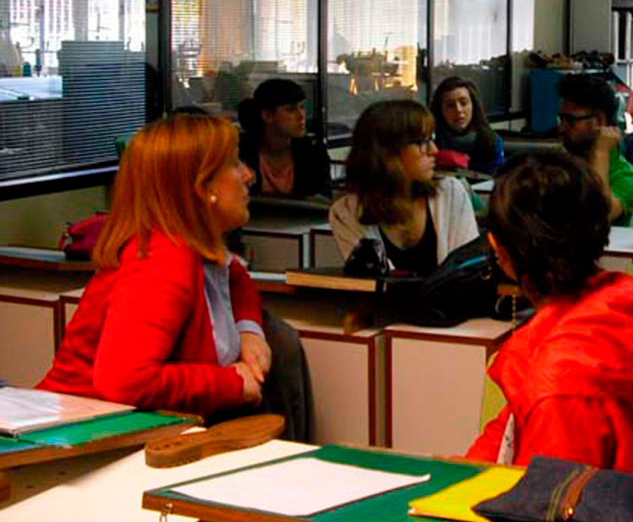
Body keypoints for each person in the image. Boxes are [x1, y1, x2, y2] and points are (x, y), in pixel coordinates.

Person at [39, 113, 313, 441]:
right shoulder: (163, 260)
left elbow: (233, 276)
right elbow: (126, 381)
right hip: (81, 440)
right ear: (202, 187)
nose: (248, 174)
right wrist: (234, 383)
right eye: (234, 163)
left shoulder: (192, 246)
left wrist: (249, 329)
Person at [466, 151, 633, 484]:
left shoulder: (560, 379)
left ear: (500, 251)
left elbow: (546, 510)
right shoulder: (625, 305)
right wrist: (456, 474)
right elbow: (507, 433)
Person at [329, 99, 478, 275]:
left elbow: (466, 275)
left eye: (432, 138)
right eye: (421, 142)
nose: (434, 150)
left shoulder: (451, 193)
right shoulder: (345, 213)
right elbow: (377, 283)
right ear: (387, 152)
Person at [557, 74, 633, 226]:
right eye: (561, 119)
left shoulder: (624, 177)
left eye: (571, 120)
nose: (562, 128)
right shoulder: (556, 165)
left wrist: (601, 152)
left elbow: (596, 218)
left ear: (600, 121)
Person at [237, 78, 332, 199]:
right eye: (291, 109)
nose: (301, 116)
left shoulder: (312, 152)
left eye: (302, 107)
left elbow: (323, 199)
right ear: (267, 116)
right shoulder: (242, 152)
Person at [431, 76, 505, 175]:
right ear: (440, 110)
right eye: (450, 105)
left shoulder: (491, 141)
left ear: (473, 105)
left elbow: (498, 180)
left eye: (463, 103)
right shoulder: (431, 143)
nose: (458, 110)